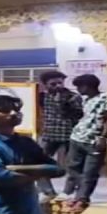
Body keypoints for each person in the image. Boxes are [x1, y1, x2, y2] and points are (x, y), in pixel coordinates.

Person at [66, 74, 107, 214]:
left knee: (90, 172)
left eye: (79, 86)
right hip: (77, 137)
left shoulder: (105, 98)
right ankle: (76, 196)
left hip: (93, 140)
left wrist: (103, 137)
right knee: (74, 169)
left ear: (87, 86)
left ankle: (82, 199)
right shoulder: (85, 99)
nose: (78, 89)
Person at [36, 71, 83, 201]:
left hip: (68, 136)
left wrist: (62, 104)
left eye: (60, 83)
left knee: (71, 166)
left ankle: (68, 191)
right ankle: (47, 191)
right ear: (45, 85)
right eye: (53, 84)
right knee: (37, 162)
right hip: (48, 135)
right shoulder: (42, 97)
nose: (58, 86)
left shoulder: (73, 97)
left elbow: (78, 115)